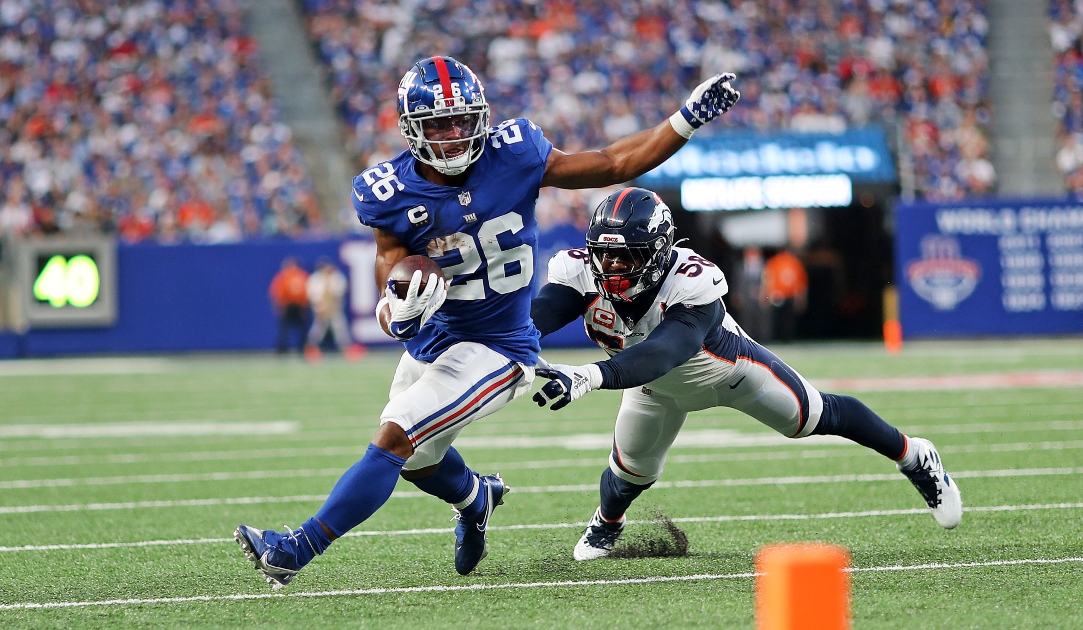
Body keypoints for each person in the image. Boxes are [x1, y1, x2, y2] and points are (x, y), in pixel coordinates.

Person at [234, 56, 741, 586]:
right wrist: (398, 309)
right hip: (436, 340)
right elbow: (391, 273)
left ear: (482, 116)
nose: (454, 135)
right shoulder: (387, 192)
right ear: (412, 129)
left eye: (462, 120)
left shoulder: (515, 153)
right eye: (438, 124)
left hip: (498, 347)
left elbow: (613, 163)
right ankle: (477, 497)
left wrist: (684, 118)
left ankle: (295, 549)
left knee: (393, 438)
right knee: (416, 460)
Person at [528, 188, 961, 561]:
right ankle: (607, 522)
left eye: (628, 256)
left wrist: (587, 375)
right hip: (653, 389)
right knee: (630, 471)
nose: (614, 267)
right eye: (606, 255)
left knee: (812, 417)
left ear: (660, 253)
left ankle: (914, 455)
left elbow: (666, 351)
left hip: (730, 373)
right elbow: (534, 321)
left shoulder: (691, 280)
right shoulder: (578, 271)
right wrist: (495, 349)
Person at [304, 257, 363, 361]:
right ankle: (311, 349)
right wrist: (321, 307)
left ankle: (347, 349)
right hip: (320, 309)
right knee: (318, 330)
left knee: (340, 329)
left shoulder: (336, 277)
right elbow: (313, 296)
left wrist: (332, 305)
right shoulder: (315, 279)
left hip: (335, 308)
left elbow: (340, 293)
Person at [761, 247, 808, 342]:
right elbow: (767, 279)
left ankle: (787, 340)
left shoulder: (794, 263)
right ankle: (778, 339)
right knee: (778, 321)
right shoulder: (776, 262)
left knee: (788, 322)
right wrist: (766, 295)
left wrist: (801, 298)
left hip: (789, 296)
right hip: (777, 296)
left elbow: (801, 283)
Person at [268, 257, 309, 355]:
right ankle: (282, 349)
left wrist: (305, 305)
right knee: (284, 329)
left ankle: (302, 348)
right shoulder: (283, 276)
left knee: (302, 329)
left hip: (299, 305)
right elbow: (276, 292)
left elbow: (307, 291)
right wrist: (279, 305)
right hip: (287, 305)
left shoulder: (302, 275)